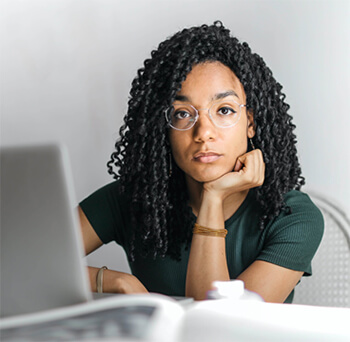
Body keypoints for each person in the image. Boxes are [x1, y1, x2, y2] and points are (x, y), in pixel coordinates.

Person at [79, 21, 324, 303]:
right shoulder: (135, 198)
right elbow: (23, 261)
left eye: (224, 110)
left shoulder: (293, 216)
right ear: (165, 128)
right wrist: (117, 281)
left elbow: (219, 327)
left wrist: (213, 197)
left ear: (251, 123)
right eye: (183, 114)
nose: (204, 132)